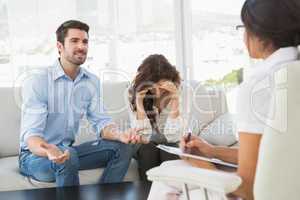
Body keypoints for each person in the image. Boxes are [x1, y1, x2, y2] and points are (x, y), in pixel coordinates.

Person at [147, 0, 300, 199]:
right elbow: (271, 154)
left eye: (244, 28)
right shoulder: (293, 71)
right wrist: (212, 151)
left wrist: (203, 165)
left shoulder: (258, 84)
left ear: (257, 32)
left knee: (164, 181)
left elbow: (249, 188)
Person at [19, 20, 141, 187]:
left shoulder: (91, 81)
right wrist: (49, 150)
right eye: (74, 41)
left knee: (123, 148)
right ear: (59, 46)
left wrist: (121, 135)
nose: (81, 46)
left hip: (68, 152)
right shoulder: (39, 81)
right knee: (67, 157)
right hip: (35, 157)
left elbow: (102, 123)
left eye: (85, 41)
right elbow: (31, 137)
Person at [128, 54, 184, 181]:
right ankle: (147, 193)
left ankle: (170, 193)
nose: (158, 92)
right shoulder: (133, 93)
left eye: (162, 86)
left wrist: (175, 99)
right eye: (153, 86)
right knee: (148, 149)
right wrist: (139, 102)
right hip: (144, 145)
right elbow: (144, 137)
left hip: (170, 143)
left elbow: (174, 137)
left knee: (170, 149)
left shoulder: (179, 91)